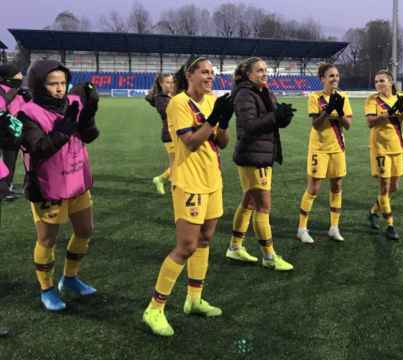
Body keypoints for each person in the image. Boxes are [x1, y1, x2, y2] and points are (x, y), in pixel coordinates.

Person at [142, 57, 234, 337]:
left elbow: (222, 142)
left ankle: (194, 299)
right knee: (186, 246)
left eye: (212, 73)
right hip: (189, 181)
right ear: (189, 74)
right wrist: (214, 118)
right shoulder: (178, 103)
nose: (210, 77)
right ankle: (154, 309)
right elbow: (191, 142)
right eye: (204, 72)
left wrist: (224, 122)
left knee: (205, 239)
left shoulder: (212, 100)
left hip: (212, 180)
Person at [15, 60, 100, 311]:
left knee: (85, 231)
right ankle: (47, 289)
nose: (60, 88)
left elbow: (89, 136)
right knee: (47, 240)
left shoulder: (74, 104)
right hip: (48, 186)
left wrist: (89, 115)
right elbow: (38, 148)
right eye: (53, 83)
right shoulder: (27, 112)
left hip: (77, 180)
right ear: (40, 85)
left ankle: (70, 278)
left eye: (63, 82)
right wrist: (62, 131)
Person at [225, 57, 295, 270]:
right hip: (253, 156)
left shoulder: (263, 91)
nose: (264, 73)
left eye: (265, 70)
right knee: (263, 206)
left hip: (261, 153)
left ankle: (235, 247)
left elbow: (272, 120)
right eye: (259, 70)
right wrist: (275, 117)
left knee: (249, 203)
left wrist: (283, 117)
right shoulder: (245, 94)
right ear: (248, 74)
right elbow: (249, 126)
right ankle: (269, 256)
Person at [296, 64, 352, 244]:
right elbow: (316, 125)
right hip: (319, 149)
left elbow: (348, 124)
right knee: (314, 188)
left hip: (337, 148)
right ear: (322, 79)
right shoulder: (315, 97)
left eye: (337, 75)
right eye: (331, 76)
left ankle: (334, 227)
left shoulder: (343, 97)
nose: (335, 79)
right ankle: (302, 228)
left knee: (336, 186)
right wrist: (328, 110)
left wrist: (339, 112)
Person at [364, 70, 403, 240]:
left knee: (394, 187)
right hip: (380, 148)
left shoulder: (401, 98)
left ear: (391, 82)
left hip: (397, 146)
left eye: (382, 81)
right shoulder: (372, 99)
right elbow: (370, 122)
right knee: (384, 187)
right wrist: (388, 114)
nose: (378, 84)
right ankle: (390, 225)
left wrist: (400, 113)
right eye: (376, 81)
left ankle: (373, 211)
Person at [0, 63, 30, 200]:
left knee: (20, 160)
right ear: (8, 76)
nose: (21, 76)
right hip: (6, 131)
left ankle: (16, 186)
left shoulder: (19, 90)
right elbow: (3, 104)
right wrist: (14, 89)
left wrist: (27, 96)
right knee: (7, 161)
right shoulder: (2, 89)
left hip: (20, 131)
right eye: (17, 74)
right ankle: (5, 187)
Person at [146, 73, 175, 195]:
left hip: (175, 134)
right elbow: (169, 113)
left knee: (178, 163)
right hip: (169, 135)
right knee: (177, 164)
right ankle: (160, 179)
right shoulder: (161, 99)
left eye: (172, 82)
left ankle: (173, 182)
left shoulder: (170, 96)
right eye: (167, 82)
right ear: (161, 84)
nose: (171, 84)